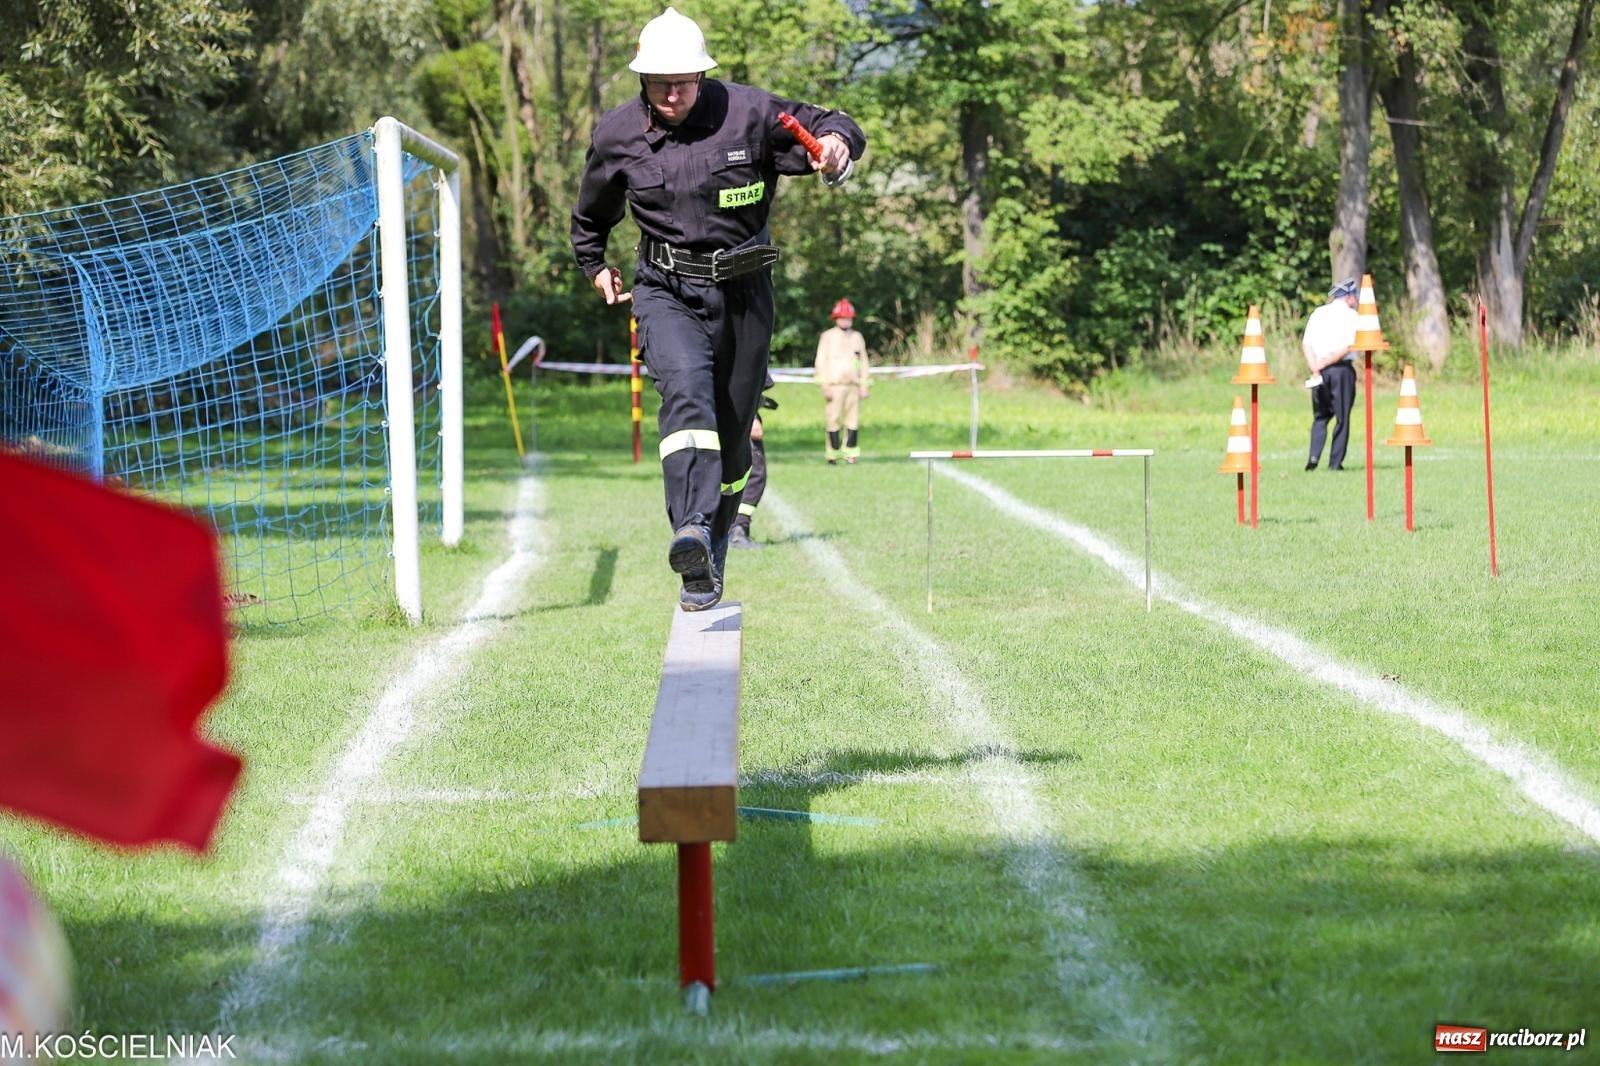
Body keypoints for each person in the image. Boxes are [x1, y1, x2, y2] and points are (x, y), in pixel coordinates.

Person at [571, 6, 865, 611]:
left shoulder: (751, 113)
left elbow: (834, 124)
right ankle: (691, 530)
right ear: (642, 80)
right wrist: (595, 264)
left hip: (745, 295)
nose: (673, 94)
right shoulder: (618, 134)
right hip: (664, 289)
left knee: (734, 441)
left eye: (683, 82)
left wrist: (835, 147)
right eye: (660, 84)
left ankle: (715, 545)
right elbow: (591, 213)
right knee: (687, 394)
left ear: (703, 75)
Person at [1302, 278, 1360, 471]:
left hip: (1318, 371)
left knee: (1320, 417)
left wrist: (1315, 368)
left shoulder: (1318, 313)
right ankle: (1335, 463)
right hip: (1341, 370)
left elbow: (1307, 344)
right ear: (1349, 297)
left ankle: (1313, 456)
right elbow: (1348, 347)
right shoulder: (1352, 317)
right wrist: (1327, 362)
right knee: (1342, 418)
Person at [814, 298, 869, 464]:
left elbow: (863, 361)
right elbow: (820, 361)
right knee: (833, 420)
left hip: (853, 385)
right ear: (836, 318)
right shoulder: (827, 337)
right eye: (843, 317)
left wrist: (864, 384)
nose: (846, 321)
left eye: (849, 318)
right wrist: (825, 386)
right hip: (834, 385)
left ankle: (850, 453)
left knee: (852, 420)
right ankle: (832, 454)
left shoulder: (857, 337)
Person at [729, 377, 776, 550]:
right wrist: (753, 417)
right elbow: (746, 378)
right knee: (755, 473)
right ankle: (738, 530)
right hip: (740, 415)